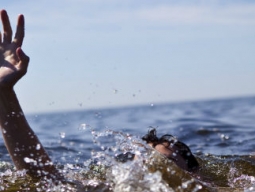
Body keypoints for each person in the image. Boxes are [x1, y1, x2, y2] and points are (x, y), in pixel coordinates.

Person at [0, 10, 199, 181]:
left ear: (194, 174)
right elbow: (45, 179)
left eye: (166, 162)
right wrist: (3, 93)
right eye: (146, 160)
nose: (152, 168)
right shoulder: (106, 191)